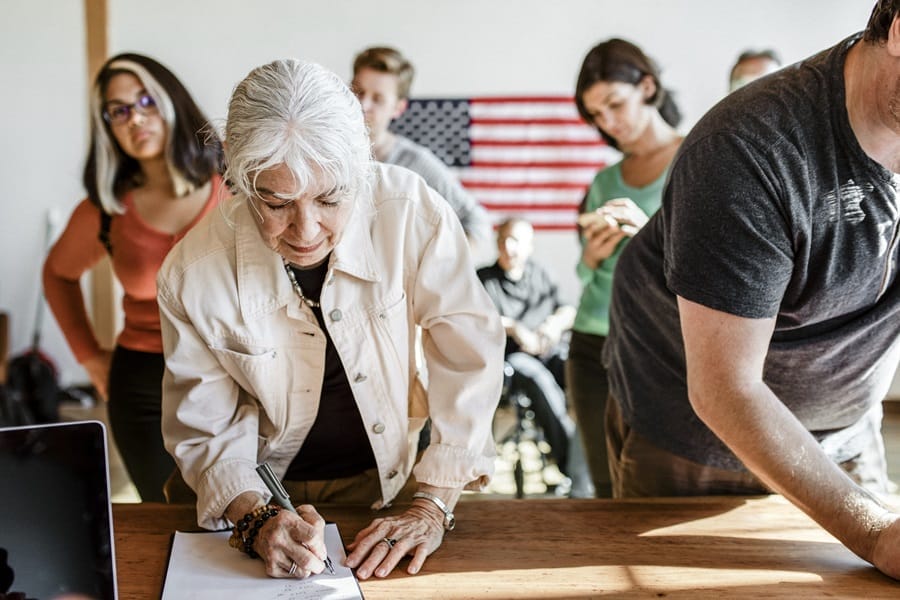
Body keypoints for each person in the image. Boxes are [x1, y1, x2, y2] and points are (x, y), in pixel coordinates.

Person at [157, 58, 504, 581]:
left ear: (358, 171)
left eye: (330, 198)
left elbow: (469, 355)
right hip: (248, 485)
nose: (306, 229)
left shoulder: (410, 212)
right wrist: (254, 517)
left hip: (384, 480)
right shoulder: (193, 273)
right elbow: (205, 425)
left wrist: (431, 503)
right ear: (241, 180)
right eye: (275, 202)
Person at [604, 0, 900, 578]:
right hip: (698, 445)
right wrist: (876, 532)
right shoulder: (751, 147)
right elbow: (724, 390)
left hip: (848, 430)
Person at [42, 53, 225, 502]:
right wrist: (89, 357)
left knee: (245, 512)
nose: (135, 119)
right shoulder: (108, 209)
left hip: (233, 373)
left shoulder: (233, 187)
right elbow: (57, 275)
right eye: (118, 110)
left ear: (171, 102)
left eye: (145, 101)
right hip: (144, 386)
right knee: (168, 514)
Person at [567, 38, 683, 497]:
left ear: (648, 87)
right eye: (597, 115)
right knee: (602, 487)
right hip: (591, 344)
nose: (609, 123)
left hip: (659, 346)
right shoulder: (603, 181)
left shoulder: (695, 158)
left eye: (615, 104)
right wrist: (591, 257)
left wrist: (648, 234)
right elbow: (586, 277)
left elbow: (707, 265)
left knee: (649, 490)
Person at [477, 217, 593, 497]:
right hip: (512, 360)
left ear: (530, 246)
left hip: (549, 350)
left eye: (517, 240)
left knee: (583, 372)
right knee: (538, 379)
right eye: (504, 239)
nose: (509, 246)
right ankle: (570, 468)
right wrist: (516, 329)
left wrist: (551, 326)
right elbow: (478, 319)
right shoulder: (484, 279)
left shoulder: (542, 274)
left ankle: (591, 465)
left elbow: (567, 310)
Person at [350, 46, 491, 244]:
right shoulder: (324, 151)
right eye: (358, 91)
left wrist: (441, 269)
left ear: (398, 108)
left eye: (378, 99)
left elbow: (477, 222)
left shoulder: (416, 162)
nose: (363, 105)